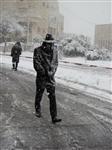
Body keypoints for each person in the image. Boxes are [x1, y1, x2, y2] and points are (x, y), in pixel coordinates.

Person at [33, 33, 62, 124]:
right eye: (49, 43)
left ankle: (54, 116)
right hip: (41, 77)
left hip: (50, 78)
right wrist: (43, 72)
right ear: (45, 43)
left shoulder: (55, 51)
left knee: (52, 97)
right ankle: (38, 110)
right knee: (39, 94)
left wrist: (52, 72)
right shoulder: (37, 50)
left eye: (52, 43)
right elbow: (36, 64)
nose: (51, 45)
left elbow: (55, 63)